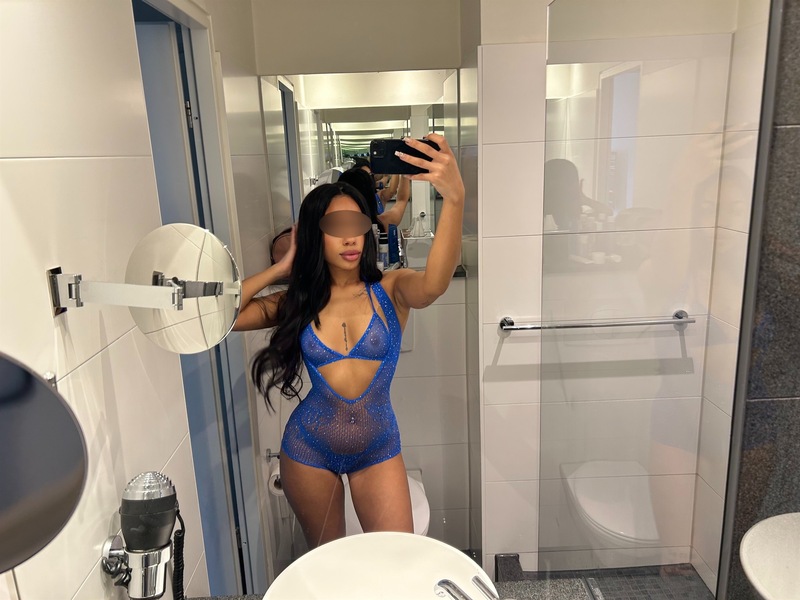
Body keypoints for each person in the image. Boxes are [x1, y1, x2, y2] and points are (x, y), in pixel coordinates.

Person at [232, 134, 464, 548]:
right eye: (336, 228)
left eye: (357, 225)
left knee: (397, 559)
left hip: (377, 448)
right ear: (315, 235)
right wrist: (281, 268)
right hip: (308, 450)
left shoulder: (390, 289)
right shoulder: (297, 301)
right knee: (330, 564)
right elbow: (227, 317)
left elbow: (434, 284)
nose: (350, 237)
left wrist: (455, 199)